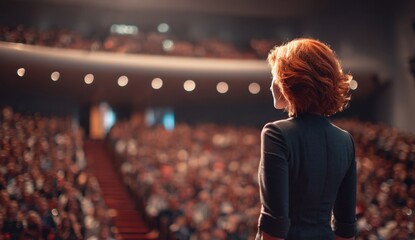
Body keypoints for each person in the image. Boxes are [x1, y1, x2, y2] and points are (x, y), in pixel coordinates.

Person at [256, 38, 357, 240]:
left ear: (290, 81)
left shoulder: (276, 133)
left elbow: (274, 224)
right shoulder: (346, 140)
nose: (271, 85)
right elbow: (346, 228)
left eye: (274, 76)